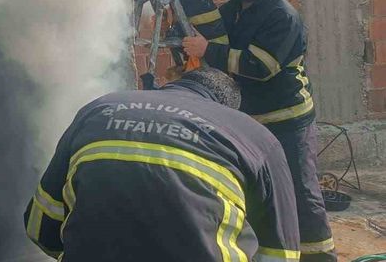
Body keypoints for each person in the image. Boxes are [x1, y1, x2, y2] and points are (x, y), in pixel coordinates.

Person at [24, 67, 300, 261]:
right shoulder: (253, 136)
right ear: (227, 108)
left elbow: (39, 224)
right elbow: (281, 253)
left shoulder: (99, 108)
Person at [183, 0, 336, 261]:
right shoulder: (235, 11)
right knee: (256, 194)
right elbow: (206, 29)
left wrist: (208, 50)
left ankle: (319, 256)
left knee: (299, 192)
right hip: (250, 122)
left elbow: (259, 66)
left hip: (286, 121)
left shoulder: (282, 16)